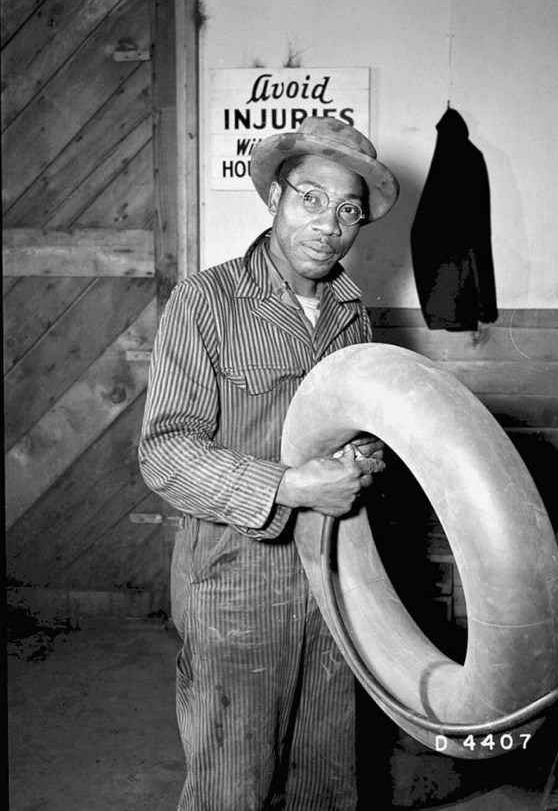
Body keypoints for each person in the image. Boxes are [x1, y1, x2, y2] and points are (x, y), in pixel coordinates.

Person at [139, 116, 399, 810]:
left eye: (348, 210)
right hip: (233, 582)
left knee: (325, 773)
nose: (329, 224)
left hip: (332, 578)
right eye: (311, 199)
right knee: (234, 780)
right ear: (274, 199)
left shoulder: (353, 312)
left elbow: (350, 426)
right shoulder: (205, 301)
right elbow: (164, 453)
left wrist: (362, 457)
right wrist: (291, 485)